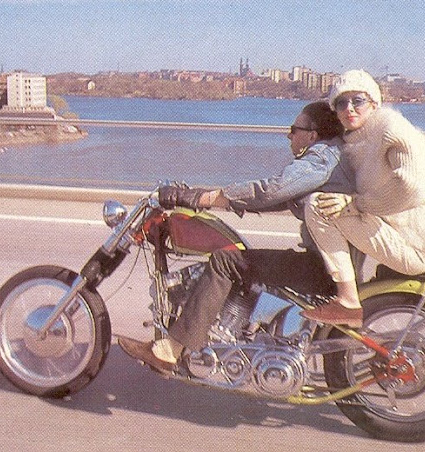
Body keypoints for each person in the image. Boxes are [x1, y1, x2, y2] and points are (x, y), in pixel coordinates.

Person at [118, 101, 355, 373]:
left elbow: (273, 189)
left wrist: (206, 198)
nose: (288, 135)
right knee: (243, 259)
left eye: (294, 129)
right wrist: (212, 198)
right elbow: (278, 198)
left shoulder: (322, 157)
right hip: (329, 262)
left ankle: (169, 351)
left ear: (312, 135)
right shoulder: (331, 155)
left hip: (322, 267)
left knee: (224, 261)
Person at [300, 69, 425, 327]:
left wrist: (355, 203)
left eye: (358, 100)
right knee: (332, 204)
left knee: (318, 205)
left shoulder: (389, 129)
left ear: (374, 103)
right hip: (408, 238)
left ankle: (348, 300)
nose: (349, 108)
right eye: (341, 103)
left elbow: (411, 185)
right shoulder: (358, 138)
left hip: (419, 245)